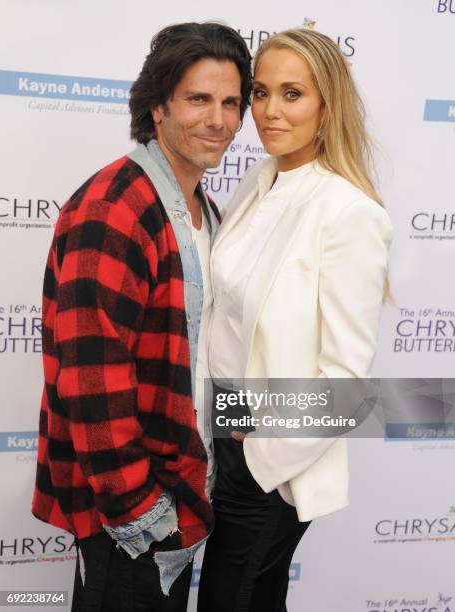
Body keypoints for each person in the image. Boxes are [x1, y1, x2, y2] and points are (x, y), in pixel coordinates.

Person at [32, 22, 252, 612]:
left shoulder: (204, 209)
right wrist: (141, 513)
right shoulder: (115, 207)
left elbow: (205, 356)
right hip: (131, 515)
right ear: (157, 107)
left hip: (181, 496)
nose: (219, 120)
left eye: (231, 102)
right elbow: (91, 378)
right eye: (199, 99)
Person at [197, 27, 392, 612]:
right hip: (227, 438)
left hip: (275, 466)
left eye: (292, 94)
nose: (269, 111)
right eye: (260, 92)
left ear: (326, 106)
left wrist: (261, 455)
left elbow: (346, 385)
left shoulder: (347, 213)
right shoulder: (260, 182)